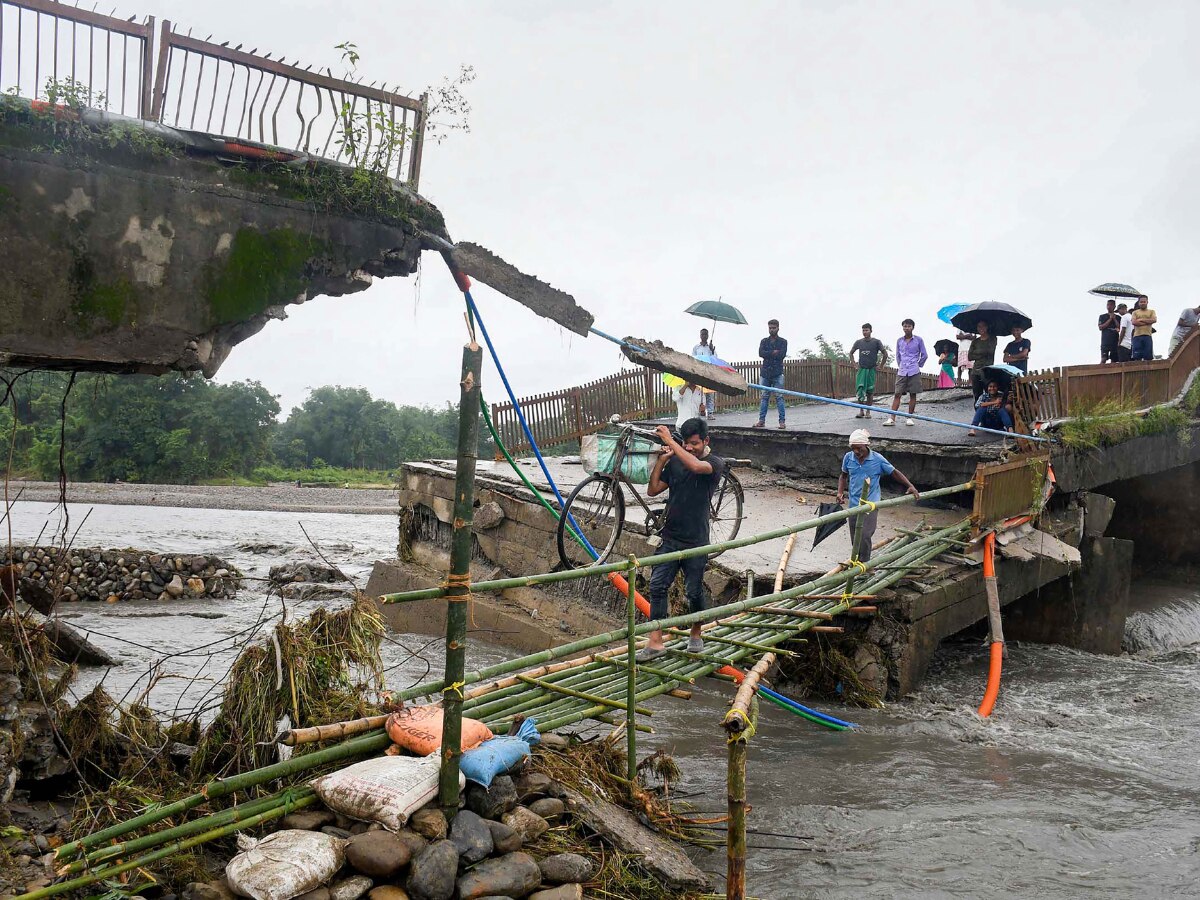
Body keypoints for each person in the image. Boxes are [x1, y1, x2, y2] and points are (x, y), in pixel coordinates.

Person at [637, 419, 726, 661]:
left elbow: (697, 467)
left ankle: (696, 632)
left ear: (706, 441)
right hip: (670, 537)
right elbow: (653, 490)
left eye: (694, 444)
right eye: (685, 444)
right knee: (656, 586)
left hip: (696, 540)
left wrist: (669, 442)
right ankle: (655, 641)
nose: (689, 448)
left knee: (693, 591)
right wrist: (662, 460)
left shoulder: (714, 464)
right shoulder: (676, 460)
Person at [836, 429, 920, 563]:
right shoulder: (848, 457)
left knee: (864, 535)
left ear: (866, 445)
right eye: (853, 449)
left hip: (871, 504)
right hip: (853, 503)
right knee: (855, 537)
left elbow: (894, 472)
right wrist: (840, 492)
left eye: (859, 448)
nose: (856, 452)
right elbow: (843, 476)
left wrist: (910, 485)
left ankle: (866, 565)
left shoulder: (877, 459)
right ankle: (856, 561)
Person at [883, 319, 927, 427]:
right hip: (902, 370)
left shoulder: (918, 340)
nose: (906, 328)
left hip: (914, 370)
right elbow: (898, 355)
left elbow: (924, 355)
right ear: (902, 327)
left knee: (913, 394)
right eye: (905, 326)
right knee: (897, 394)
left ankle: (909, 417)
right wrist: (900, 365)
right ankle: (892, 418)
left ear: (912, 327)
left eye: (909, 326)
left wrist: (918, 365)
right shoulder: (899, 341)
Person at [753, 319, 787, 429]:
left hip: (777, 372)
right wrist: (773, 352)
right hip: (765, 373)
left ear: (778, 328)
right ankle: (761, 421)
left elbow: (781, 355)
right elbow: (761, 353)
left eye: (773, 328)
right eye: (770, 328)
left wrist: (768, 354)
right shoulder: (764, 341)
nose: (771, 330)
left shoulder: (783, 342)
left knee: (779, 397)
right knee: (764, 397)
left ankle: (782, 422)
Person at [849, 323, 887, 418]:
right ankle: (861, 411)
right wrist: (854, 364)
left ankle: (868, 412)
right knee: (860, 390)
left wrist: (881, 365)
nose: (865, 332)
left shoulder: (876, 342)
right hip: (861, 369)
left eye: (866, 330)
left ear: (871, 331)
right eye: (863, 330)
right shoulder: (859, 342)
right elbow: (851, 353)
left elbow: (885, 354)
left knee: (870, 391)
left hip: (871, 370)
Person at [957, 319, 997, 401]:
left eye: (983, 326)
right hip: (976, 371)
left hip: (987, 371)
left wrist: (977, 352)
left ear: (987, 327)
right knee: (977, 396)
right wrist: (983, 353)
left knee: (989, 395)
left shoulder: (992, 338)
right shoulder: (975, 341)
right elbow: (970, 356)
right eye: (979, 326)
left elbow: (990, 351)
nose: (981, 328)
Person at [692, 328, 718, 416]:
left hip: (709, 372)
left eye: (706, 334)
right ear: (700, 335)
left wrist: (712, 350)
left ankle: (710, 412)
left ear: (708, 336)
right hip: (699, 371)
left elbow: (715, 359)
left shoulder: (710, 347)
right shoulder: (696, 347)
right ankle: (700, 411)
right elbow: (693, 358)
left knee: (709, 393)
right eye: (702, 334)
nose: (704, 336)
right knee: (699, 392)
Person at [1130, 295, 1157, 361]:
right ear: (1139, 303)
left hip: (1147, 336)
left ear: (1147, 302)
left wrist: (1141, 319)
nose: (1142, 303)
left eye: (1144, 302)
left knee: (1148, 356)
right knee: (1137, 356)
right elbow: (1134, 322)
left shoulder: (1151, 311)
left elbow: (1154, 320)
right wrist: (1147, 322)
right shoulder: (1135, 312)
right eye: (1141, 302)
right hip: (1137, 336)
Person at [1098, 299, 1122, 363]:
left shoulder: (1118, 317)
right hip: (1105, 340)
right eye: (1108, 305)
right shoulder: (1102, 316)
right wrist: (1110, 319)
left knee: (1114, 360)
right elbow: (1101, 327)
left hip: (1115, 340)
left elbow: (1119, 327)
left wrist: (1114, 319)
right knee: (1104, 358)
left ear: (1114, 306)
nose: (1109, 306)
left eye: (1111, 305)